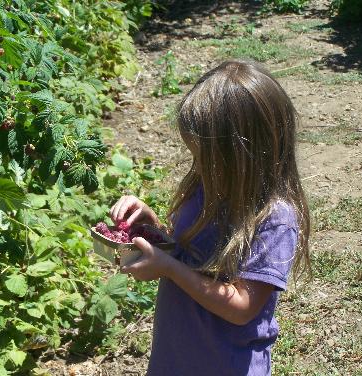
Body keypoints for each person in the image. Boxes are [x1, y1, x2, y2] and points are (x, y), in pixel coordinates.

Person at [109, 59, 311, 376]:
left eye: (205, 157)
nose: (198, 166)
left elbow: (242, 307)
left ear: (241, 157)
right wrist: (152, 230)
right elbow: (190, 249)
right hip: (175, 357)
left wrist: (171, 270)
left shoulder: (274, 218)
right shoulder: (205, 189)